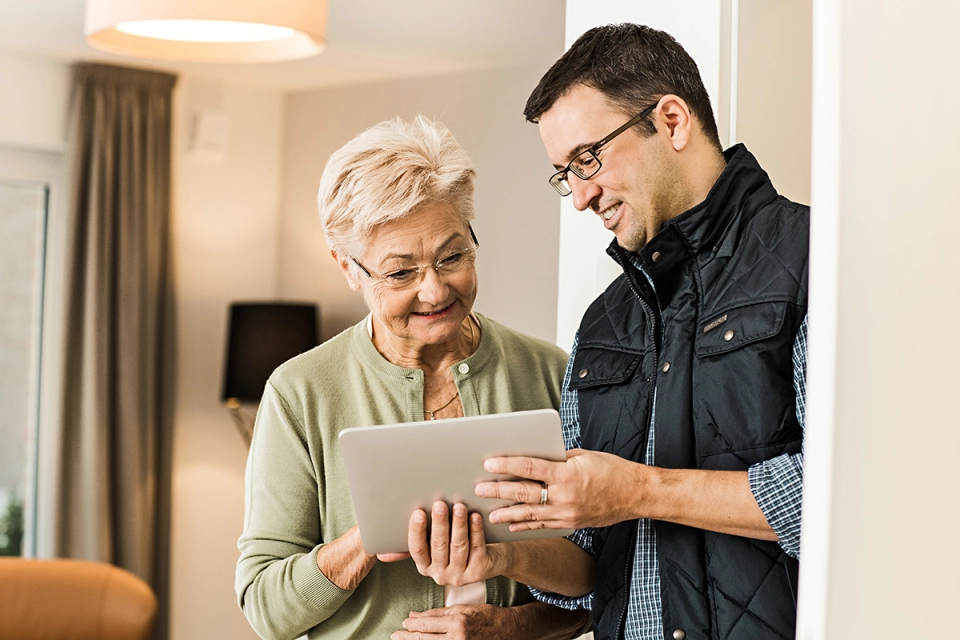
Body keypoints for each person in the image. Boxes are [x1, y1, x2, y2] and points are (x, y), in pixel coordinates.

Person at [406, 24, 807, 640]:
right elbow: (589, 559)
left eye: (588, 158)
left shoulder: (812, 260)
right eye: (565, 173)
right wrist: (504, 556)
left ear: (672, 121)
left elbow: (836, 498)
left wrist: (643, 490)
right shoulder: (603, 324)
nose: (580, 196)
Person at [234, 115, 590, 640]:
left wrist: (511, 620)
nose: (434, 291)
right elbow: (266, 606)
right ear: (348, 267)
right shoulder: (300, 393)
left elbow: (603, 580)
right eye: (400, 272)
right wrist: (369, 539)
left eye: (453, 257)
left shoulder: (549, 372)